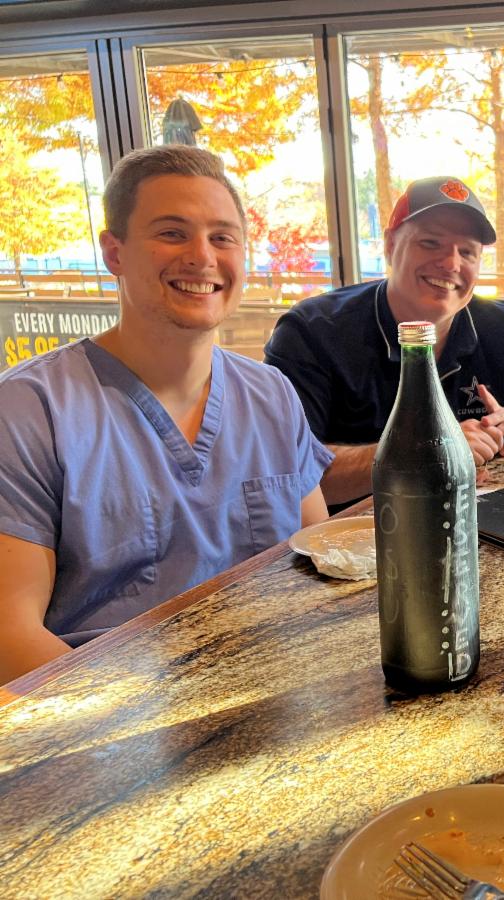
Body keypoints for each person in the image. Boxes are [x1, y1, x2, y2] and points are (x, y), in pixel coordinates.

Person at [0, 146, 332, 684]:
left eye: (222, 237)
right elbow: (10, 638)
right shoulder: (29, 411)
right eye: (172, 233)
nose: (202, 256)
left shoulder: (270, 394)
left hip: (280, 686)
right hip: (109, 717)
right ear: (114, 253)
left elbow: (323, 561)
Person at [264, 176, 504, 506]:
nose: (450, 263)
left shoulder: (501, 326)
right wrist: (426, 452)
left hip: (474, 517)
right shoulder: (313, 331)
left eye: (468, 252)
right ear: (390, 245)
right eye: (430, 243)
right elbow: (288, 474)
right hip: (352, 535)